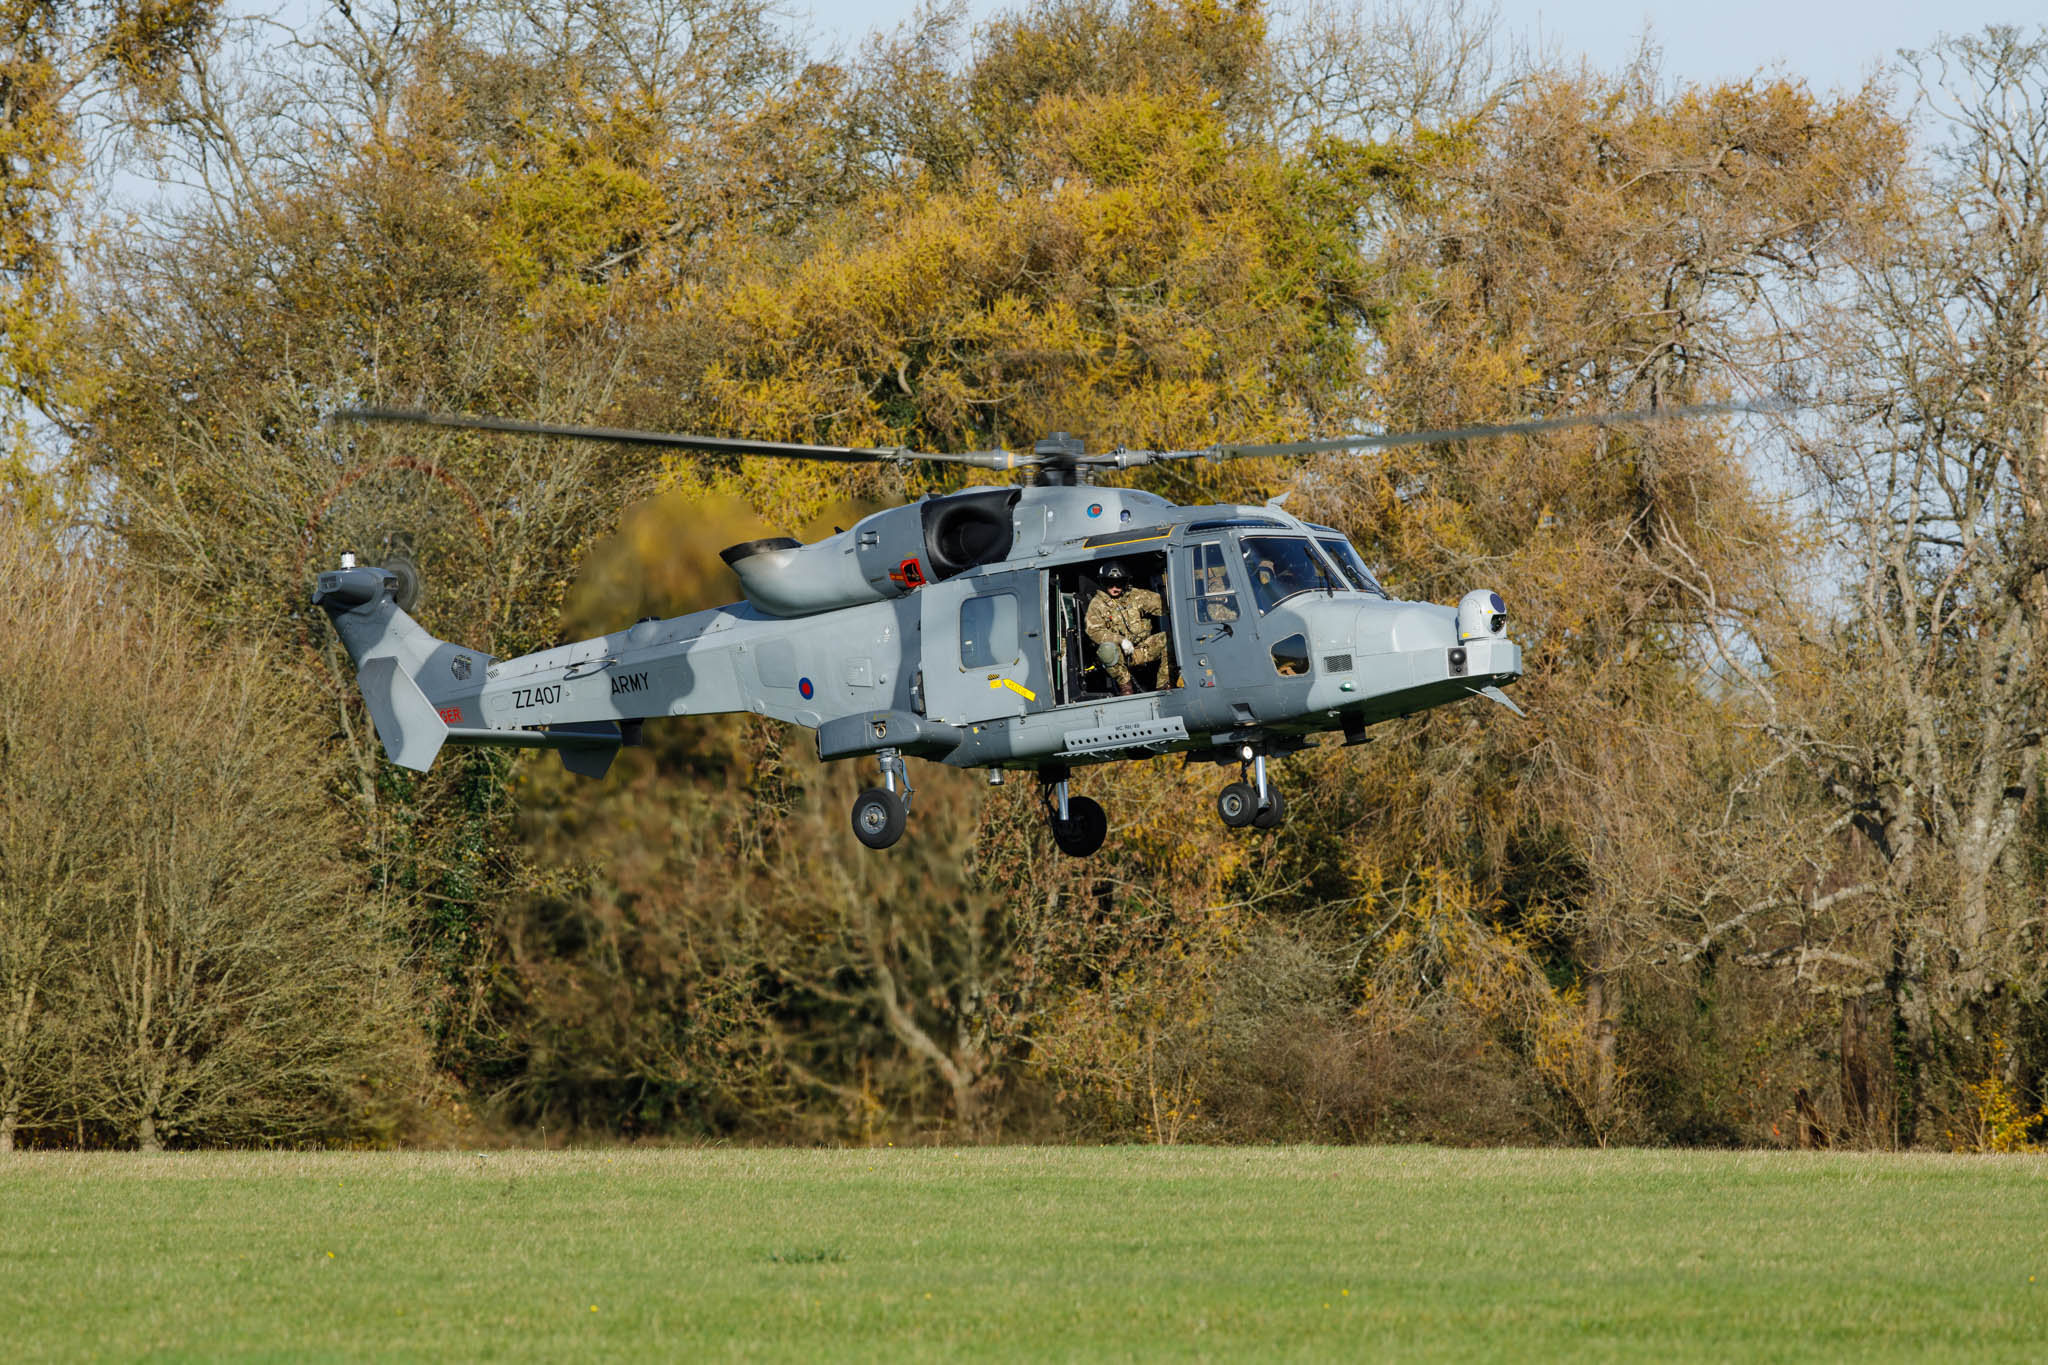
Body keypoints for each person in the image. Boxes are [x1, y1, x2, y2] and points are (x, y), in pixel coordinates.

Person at [1085, 562, 1167, 695]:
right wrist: (1120, 640)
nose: (1115, 588)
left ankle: (1164, 685)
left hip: (1141, 649)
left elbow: (1165, 604)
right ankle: (1126, 687)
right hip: (1119, 656)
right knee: (1106, 650)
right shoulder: (1097, 604)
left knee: (1168, 639)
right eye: (1109, 583)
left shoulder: (1136, 596)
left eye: (1119, 583)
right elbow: (1094, 631)